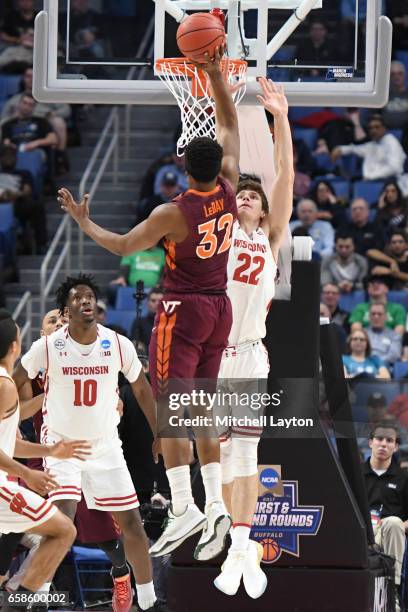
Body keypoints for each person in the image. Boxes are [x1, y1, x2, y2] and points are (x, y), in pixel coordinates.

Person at [59, 46, 240, 562]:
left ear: (181, 163)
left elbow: (119, 246)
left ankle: (184, 507)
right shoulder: (229, 186)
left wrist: (83, 221)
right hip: (219, 308)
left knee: (170, 408)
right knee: (201, 405)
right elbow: (228, 122)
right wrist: (213, 75)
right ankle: (217, 502)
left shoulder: (172, 212)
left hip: (183, 311)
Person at [17, 275, 168, 612]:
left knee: (125, 525)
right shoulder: (46, 348)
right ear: (66, 310)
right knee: (61, 521)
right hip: (59, 448)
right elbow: (14, 383)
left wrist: (160, 431)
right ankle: (38, 596)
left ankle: (146, 599)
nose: (86, 301)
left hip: (104, 447)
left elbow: (141, 389)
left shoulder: (116, 343)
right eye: (77, 297)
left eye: (90, 296)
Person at [214, 79, 294, 598]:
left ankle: (242, 545)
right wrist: (221, 87)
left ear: (263, 211)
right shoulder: (220, 228)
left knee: (246, 457)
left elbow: (284, 175)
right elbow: (226, 150)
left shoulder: (269, 237)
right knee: (223, 459)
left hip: (248, 356)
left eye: (251, 196)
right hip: (212, 355)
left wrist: (280, 119)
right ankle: (237, 545)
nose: (244, 197)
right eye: (239, 193)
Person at [0, 311, 90, 612]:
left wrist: (51, 451)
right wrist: (28, 472)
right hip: (10, 479)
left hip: (20, 470)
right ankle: (21, 602)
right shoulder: (8, 383)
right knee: (63, 531)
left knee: (55, 533)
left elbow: (8, 441)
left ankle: (21, 598)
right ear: (16, 346)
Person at [363, 423, 408, 611]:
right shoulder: (354, 473)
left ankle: (393, 591)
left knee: (394, 522)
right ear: (370, 443)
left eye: (389, 440)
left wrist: (400, 526)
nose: (383, 444)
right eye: (379, 439)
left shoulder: (404, 478)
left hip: (391, 532)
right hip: (361, 530)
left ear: (396, 447)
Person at [0, 67, 71, 174]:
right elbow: (4, 118)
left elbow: (66, 110)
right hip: (16, 130)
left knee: (58, 122)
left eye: (33, 77)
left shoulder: (48, 96)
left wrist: (53, 114)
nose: (31, 79)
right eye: (28, 76)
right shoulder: (14, 100)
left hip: (42, 125)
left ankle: (60, 157)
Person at [0, 144, 47, 254]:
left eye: (11, 156)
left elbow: (27, 190)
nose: (8, 159)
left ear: (16, 159)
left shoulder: (24, 174)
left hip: (17, 203)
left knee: (37, 206)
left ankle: (41, 245)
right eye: (5, 156)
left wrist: (16, 194)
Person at [331, 115, 406, 181]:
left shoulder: (391, 142)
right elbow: (355, 149)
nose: (373, 130)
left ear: (384, 128)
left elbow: (395, 168)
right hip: (371, 182)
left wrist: (371, 176)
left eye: (377, 127)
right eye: (371, 128)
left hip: (390, 183)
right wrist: (340, 149)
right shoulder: (372, 145)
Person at [1, 94, 57, 158]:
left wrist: (36, 143)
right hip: (14, 153)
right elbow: (6, 142)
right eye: (24, 103)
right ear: (19, 103)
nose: (26, 107)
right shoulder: (8, 124)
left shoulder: (41, 122)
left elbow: (53, 139)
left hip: (36, 151)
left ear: (34, 107)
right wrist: (10, 146)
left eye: (30, 105)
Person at [381, 61, 408, 130]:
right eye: (393, 74)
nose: (397, 77)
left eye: (400, 73)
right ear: (389, 77)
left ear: (405, 75)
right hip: (386, 133)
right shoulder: (383, 96)